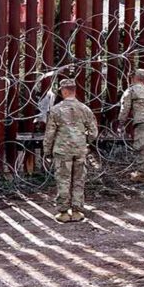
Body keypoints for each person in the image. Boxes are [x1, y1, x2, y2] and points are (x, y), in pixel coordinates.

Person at [43, 78, 99, 223]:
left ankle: (63, 212)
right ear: (74, 90)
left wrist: (47, 151)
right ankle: (77, 211)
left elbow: (50, 134)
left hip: (62, 151)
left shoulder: (56, 110)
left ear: (64, 90)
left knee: (63, 180)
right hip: (80, 150)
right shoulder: (85, 109)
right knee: (79, 180)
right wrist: (85, 141)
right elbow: (93, 131)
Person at [119, 69, 144, 183]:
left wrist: (121, 123)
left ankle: (143, 174)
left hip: (143, 121)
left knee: (142, 146)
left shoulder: (131, 90)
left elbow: (125, 108)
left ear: (134, 77)